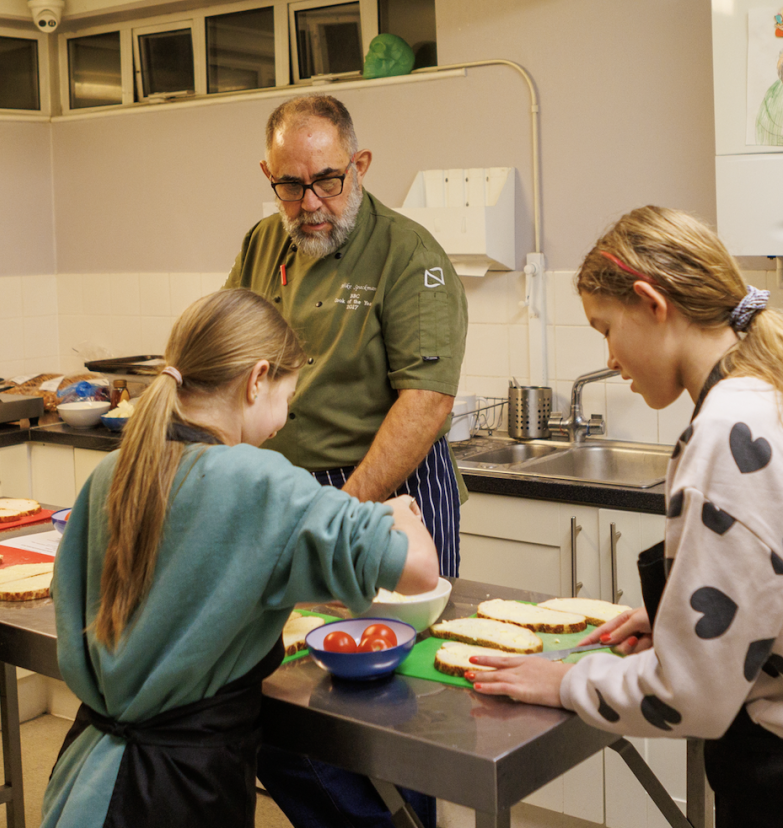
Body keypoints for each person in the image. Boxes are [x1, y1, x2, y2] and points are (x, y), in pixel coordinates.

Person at [467, 206, 783, 828]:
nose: (611, 357)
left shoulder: (726, 430)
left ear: (652, 303)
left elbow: (693, 697)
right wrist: (677, 618)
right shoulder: (770, 391)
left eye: (606, 328)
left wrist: (563, 682)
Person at [41, 289, 439, 828]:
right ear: (256, 380)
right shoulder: (258, 480)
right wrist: (401, 514)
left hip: (85, 778)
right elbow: (418, 572)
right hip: (181, 792)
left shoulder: (115, 472)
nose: (283, 421)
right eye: (287, 398)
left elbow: (201, 582)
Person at [225, 93, 467, 828]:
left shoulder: (408, 252)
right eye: (290, 186)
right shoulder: (262, 244)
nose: (311, 203)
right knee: (292, 703)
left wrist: (346, 508)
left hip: (385, 493)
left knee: (393, 713)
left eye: (327, 180)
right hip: (286, 490)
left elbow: (424, 401)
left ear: (359, 165)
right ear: (267, 174)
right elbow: (234, 366)